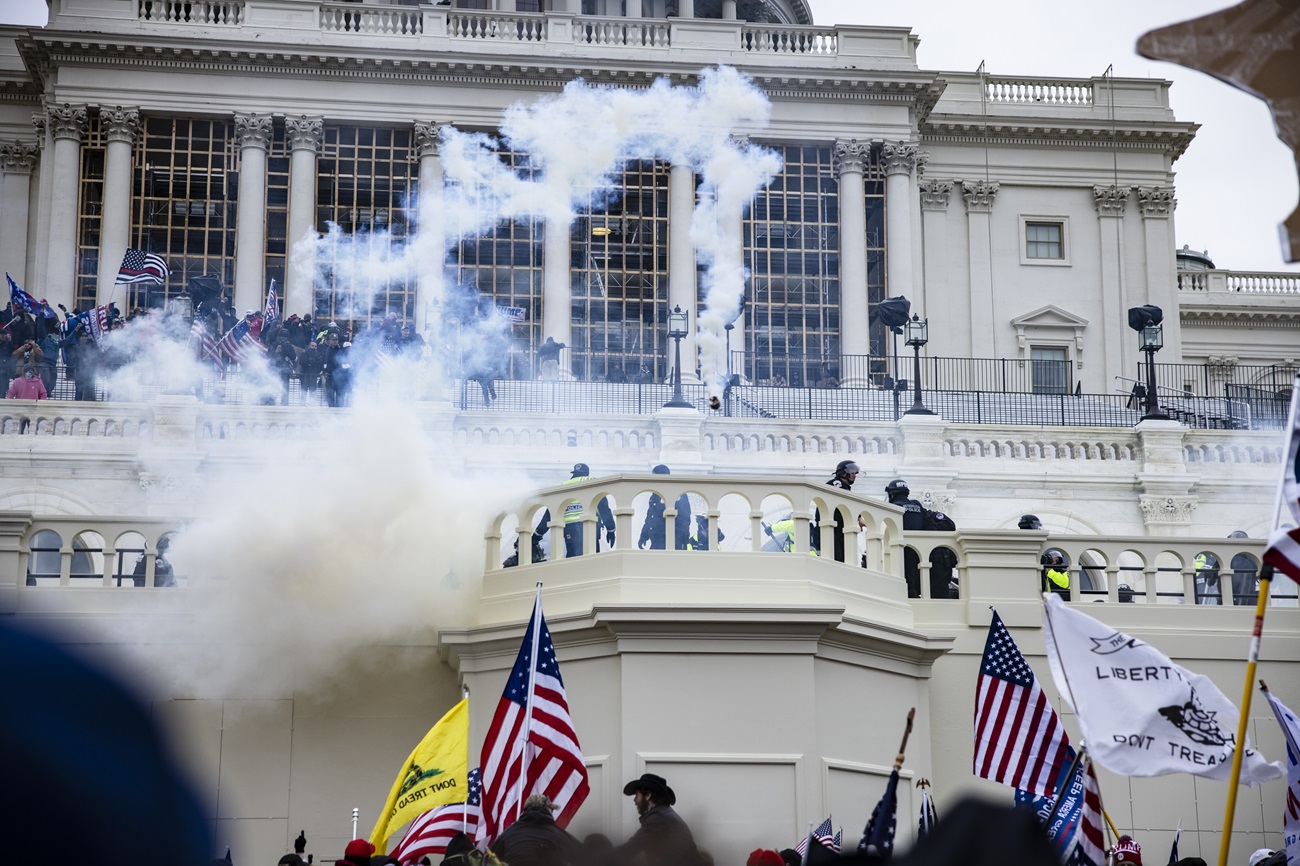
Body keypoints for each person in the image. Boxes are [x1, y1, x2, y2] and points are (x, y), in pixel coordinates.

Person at [619, 773, 700, 866]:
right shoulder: (663, 814)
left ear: (648, 795)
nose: (635, 800)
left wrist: (606, 858)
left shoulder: (658, 818)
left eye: (637, 795)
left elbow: (631, 848)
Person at [488, 794, 583, 866]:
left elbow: (489, 857)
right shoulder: (559, 834)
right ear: (548, 810)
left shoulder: (509, 832)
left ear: (525, 810)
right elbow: (585, 858)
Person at [813, 460, 864, 562]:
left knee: (842, 559)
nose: (854, 475)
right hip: (831, 531)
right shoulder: (836, 484)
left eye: (855, 472)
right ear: (843, 473)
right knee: (835, 559)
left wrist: (858, 518)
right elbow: (847, 501)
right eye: (852, 472)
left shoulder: (845, 488)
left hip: (839, 531)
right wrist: (859, 518)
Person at [638, 464, 692, 551]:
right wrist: (644, 536)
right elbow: (650, 517)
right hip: (656, 542)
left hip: (672, 542)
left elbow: (684, 518)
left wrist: (683, 540)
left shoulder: (677, 493)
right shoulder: (654, 496)